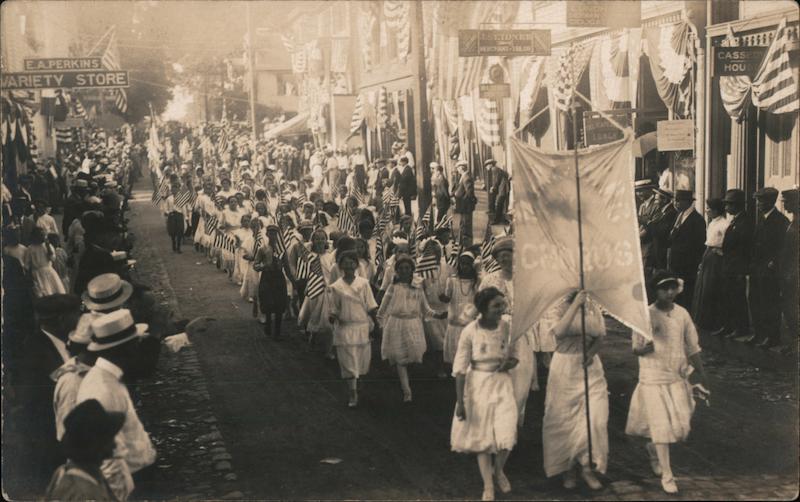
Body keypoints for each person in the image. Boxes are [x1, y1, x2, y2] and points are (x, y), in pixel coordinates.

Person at [626, 270, 709, 495]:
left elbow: (692, 346)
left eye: (672, 287)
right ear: (655, 291)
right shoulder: (645, 315)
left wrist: (701, 372)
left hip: (676, 375)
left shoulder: (682, 314)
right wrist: (646, 348)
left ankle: (653, 448)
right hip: (653, 376)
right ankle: (667, 474)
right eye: (664, 288)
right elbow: (636, 348)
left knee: (682, 424)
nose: (670, 292)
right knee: (662, 426)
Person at [76, 309, 157, 501]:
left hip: (140, 471)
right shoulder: (103, 390)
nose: (141, 346)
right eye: (137, 342)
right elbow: (108, 458)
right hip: (132, 482)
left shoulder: (111, 378)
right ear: (126, 349)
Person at [450, 287, 519, 502]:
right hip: (477, 385)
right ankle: (488, 486)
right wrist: (461, 402)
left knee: (507, 431)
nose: (502, 309)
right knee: (482, 437)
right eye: (496, 305)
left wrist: (510, 362)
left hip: (503, 384)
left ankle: (497, 471)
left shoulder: (506, 326)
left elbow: (513, 355)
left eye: (502, 304)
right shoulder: (470, 331)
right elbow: (460, 370)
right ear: (483, 308)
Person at [541, 290, 608, 491]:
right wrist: (575, 305)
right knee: (565, 420)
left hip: (590, 366)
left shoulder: (592, 305)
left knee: (595, 417)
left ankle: (587, 466)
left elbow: (600, 335)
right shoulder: (555, 306)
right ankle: (568, 467)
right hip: (565, 368)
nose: (576, 289)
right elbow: (559, 332)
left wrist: (591, 353)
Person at [20, 294, 82, 486]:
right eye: (77, 315)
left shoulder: (67, 341)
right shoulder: (33, 349)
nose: (81, 320)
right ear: (62, 320)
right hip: (52, 435)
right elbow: (39, 399)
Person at [478, 237, 537, 426]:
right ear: (496, 259)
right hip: (497, 333)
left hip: (521, 333)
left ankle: (514, 424)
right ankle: (497, 424)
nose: (505, 260)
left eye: (509, 255)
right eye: (501, 257)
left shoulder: (527, 279)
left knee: (520, 380)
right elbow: (479, 305)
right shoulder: (490, 280)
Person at [378, 254, 446, 402]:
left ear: (412, 270)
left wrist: (438, 315)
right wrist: (381, 324)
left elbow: (426, 309)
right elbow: (382, 308)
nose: (404, 271)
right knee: (400, 358)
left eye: (407, 268)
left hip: (413, 324)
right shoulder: (393, 287)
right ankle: (406, 391)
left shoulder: (417, 287)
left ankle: (404, 375)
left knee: (415, 355)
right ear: (397, 270)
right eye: (401, 268)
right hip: (396, 324)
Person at [328, 250, 380, 408]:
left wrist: (377, 325)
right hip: (345, 328)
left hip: (362, 327)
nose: (349, 264)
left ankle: (357, 384)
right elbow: (334, 309)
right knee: (349, 363)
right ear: (340, 265)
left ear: (356, 265)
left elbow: (371, 305)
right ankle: (352, 394)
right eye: (346, 262)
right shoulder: (335, 287)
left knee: (362, 362)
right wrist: (333, 316)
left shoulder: (364, 283)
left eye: (352, 261)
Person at [44, 399, 124, 502]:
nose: (114, 445)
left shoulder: (62, 472)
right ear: (96, 445)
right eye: (109, 439)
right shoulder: (87, 494)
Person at [747, 187, 790, 348]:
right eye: (758, 200)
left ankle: (772, 336)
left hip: (769, 269)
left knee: (769, 303)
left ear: (770, 202)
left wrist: (773, 262)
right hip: (757, 268)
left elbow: (783, 247)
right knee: (755, 301)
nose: (758, 204)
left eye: (761, 201)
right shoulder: (762, 219)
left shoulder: (780, 221)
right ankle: (759, 333)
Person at [718, 189, 754, 340]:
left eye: (728, 204)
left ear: (736, 205)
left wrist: (741, 270)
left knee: (737, 298)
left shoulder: (745, 222)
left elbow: (744, 248)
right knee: (728, 296)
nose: (726, 207)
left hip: (737, 267)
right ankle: (729, 326)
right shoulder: (735, 221)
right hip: (729, 266)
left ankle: (740, 327)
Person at [691, 198, 730, 332]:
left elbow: (727, 243)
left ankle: (712, 322)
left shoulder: (724, 224)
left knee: (711, 288)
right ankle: (702, 320)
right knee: (702, 288)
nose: (706, 211)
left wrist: (720, 251)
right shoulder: (712, 223)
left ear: (715, 210)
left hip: (716, 257)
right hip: (708, 254)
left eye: (708, 208)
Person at [666, 190, 706, 309]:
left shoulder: (697, 220)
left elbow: (699, 244)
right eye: (675, 200)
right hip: (676, 263)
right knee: (677, 293)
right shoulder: (680, 216)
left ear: (688, 202)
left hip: (687, 266)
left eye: (679, 201)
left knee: (686, 294)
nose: (676, 203)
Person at [441, 251, 478, 370]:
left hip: (469, 321)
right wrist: (443, 297)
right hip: (455, 320)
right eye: (462, 264)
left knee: (468, 351)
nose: (464, 266)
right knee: (455, 350)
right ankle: (456, 373)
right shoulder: (452, 280)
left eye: (467, 264)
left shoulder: (476, 282)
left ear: (472, 265)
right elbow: (448, 297)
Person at [255, 225, 288, 338]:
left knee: (279, 304)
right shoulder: (263, 248)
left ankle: (277, 332)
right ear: (267, 234)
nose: (273, 235)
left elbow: (287, 265)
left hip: (278, 277)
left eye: (275, 233)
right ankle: (268, 324)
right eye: (271, 233)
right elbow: (256, 264)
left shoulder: (282, 250)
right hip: (267, 276)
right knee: (268, 302)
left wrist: (292, 279)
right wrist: (264, 266)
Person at [778, 188, 798, 353]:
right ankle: (794, 341)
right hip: (788, 272)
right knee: (788, 306)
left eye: (788, 202)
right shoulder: (793, 220)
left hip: (795, 273)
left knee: (793, 307)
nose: (785, 205)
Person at [26, 227, 67, 297]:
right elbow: (27, 263)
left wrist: (48, 246)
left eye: (43, 235)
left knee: (55, 290)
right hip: (37, 273)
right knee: (44, 292)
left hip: (49, 271)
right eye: (40, 235)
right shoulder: (30, 248)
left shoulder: (47, 246)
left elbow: (52, 258)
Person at [163, 184, 187, 253]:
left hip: (179, 215)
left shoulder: (181, 198)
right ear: (171, 190)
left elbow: (184, 208)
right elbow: (165, 207)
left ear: (178, 190)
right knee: (172, 231)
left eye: (176, 189)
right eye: (173, 189)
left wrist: (185, 217)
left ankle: (178, 247)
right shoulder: (169, 198)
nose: (174, 191)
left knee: (179, 231)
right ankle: (173, 243)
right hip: (172, 215)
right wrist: (167, 212)